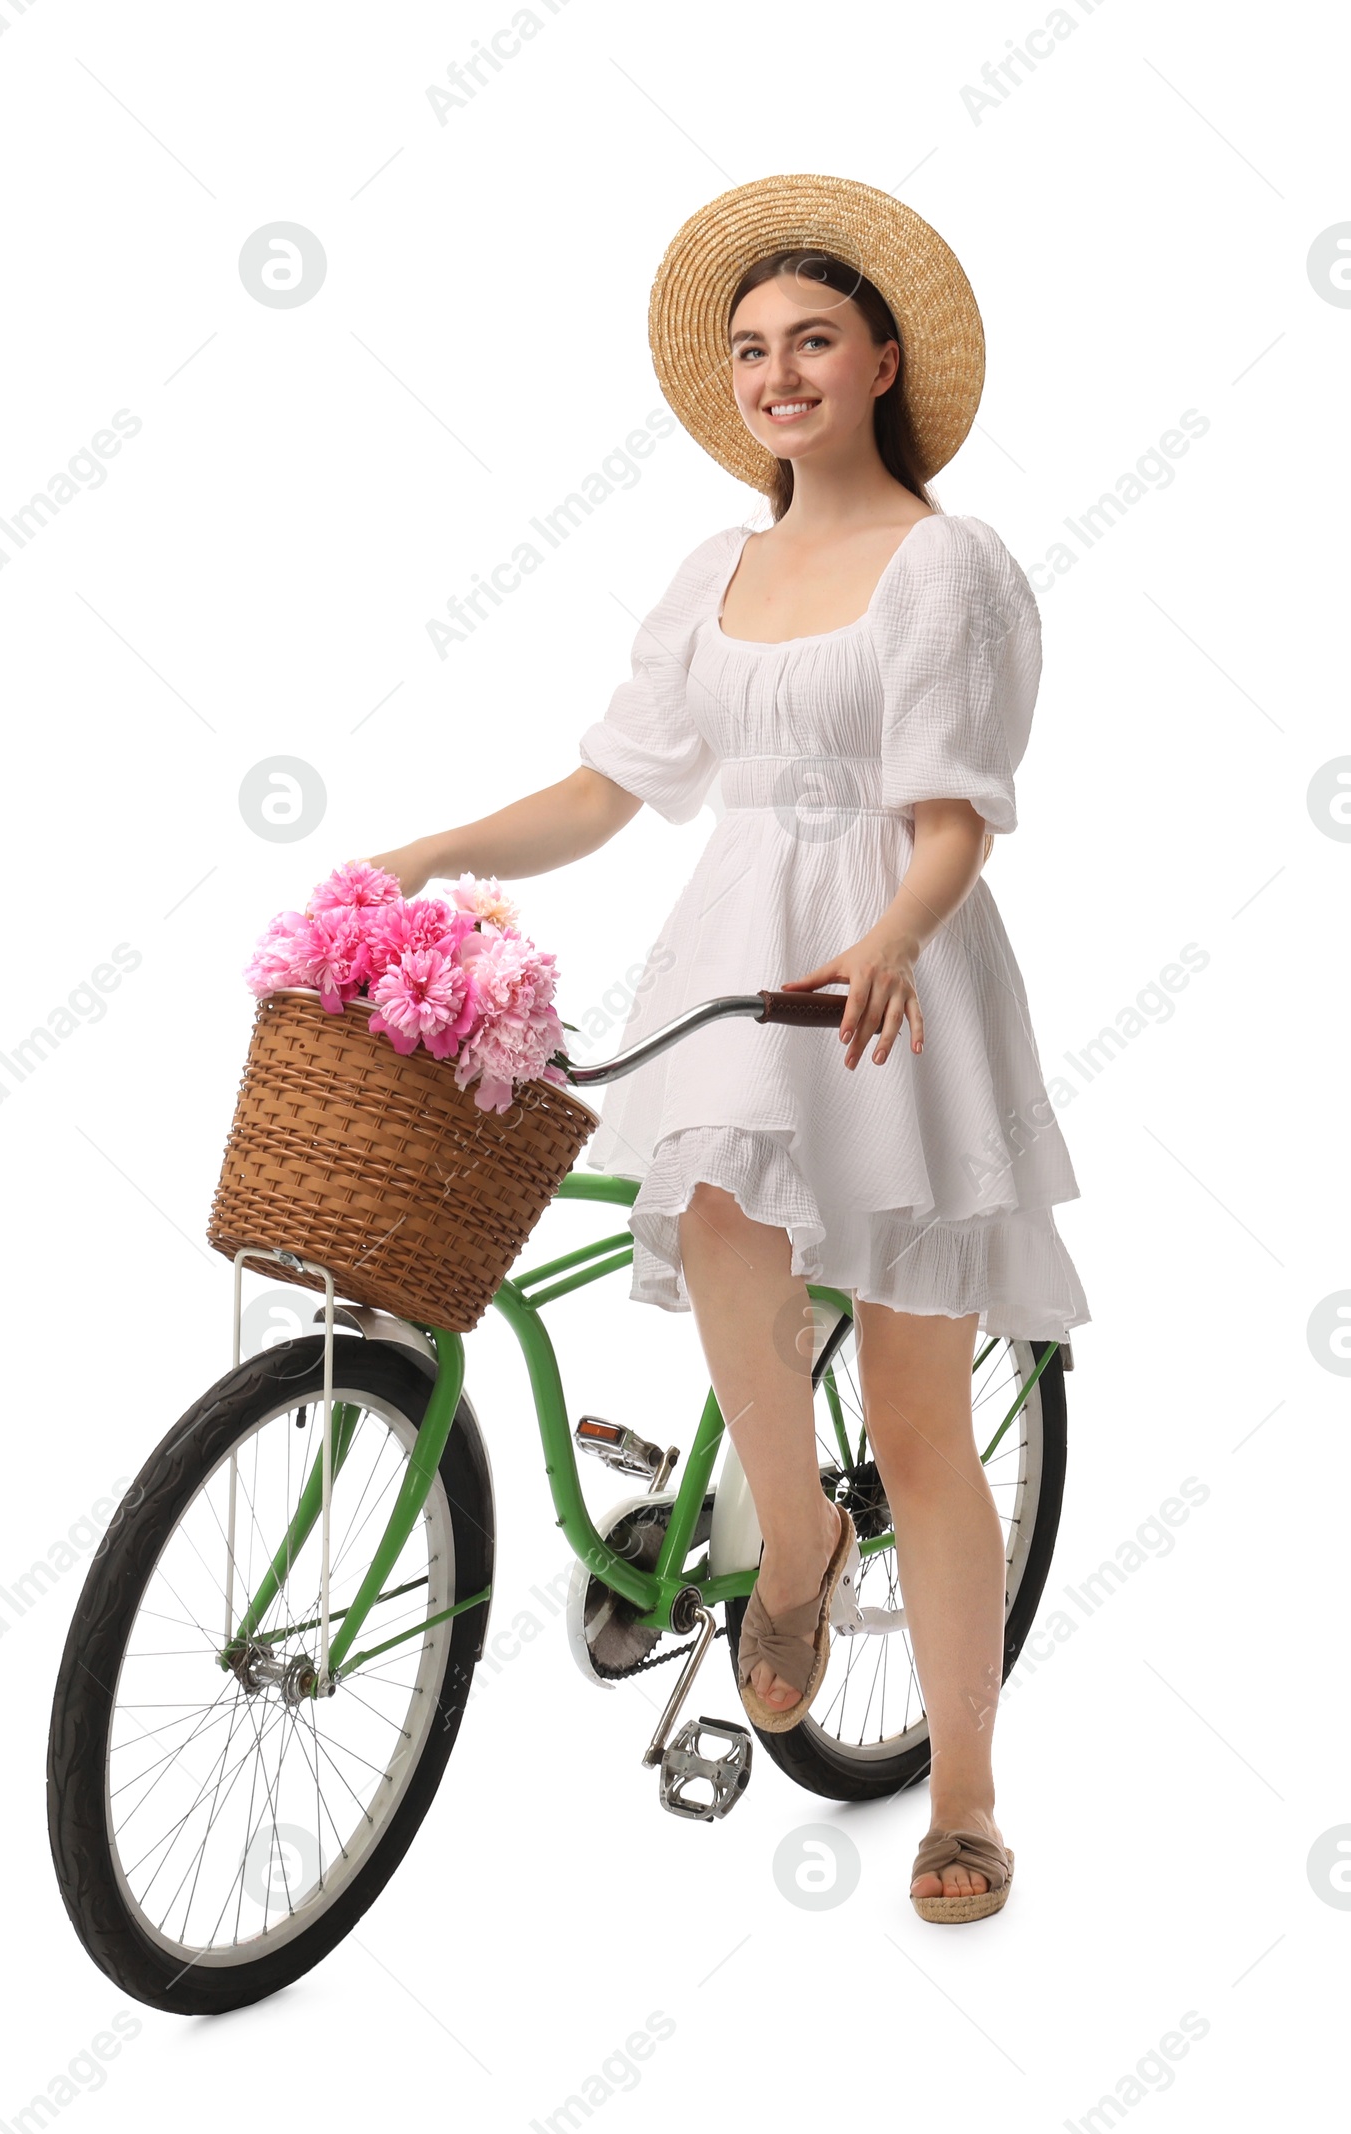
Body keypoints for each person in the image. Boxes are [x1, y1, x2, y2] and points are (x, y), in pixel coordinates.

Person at [364, 174, 1089, 1923]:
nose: (780, 374)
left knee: (921, 1410)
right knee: (707, 1233)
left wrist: (897, 935)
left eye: (813, 340)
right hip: (738, 949)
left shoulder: (948, 564)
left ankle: (967, 1795)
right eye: (755, 350)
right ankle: (797, 1528)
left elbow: (953, 810)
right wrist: (433, 850)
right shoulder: (720, 567)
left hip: (890, 967)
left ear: (882, 360)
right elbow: (613, 788)